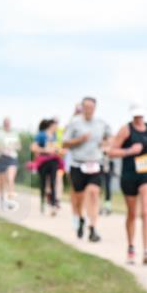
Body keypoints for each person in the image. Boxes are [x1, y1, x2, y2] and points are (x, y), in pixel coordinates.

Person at [107, 104, 147, 265]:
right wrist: (129, 151)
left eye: (141, 115)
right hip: (129, 174)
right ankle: (131, 248)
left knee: (146, 211)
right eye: (136, 116)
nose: (138, 118)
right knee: (132, 213)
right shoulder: (126, 130)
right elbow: (111, 152)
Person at [65, 97, 111, 242]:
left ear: (95, 108)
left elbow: (110, 138)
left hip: (95, 163)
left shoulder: (101, 123)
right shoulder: (74, 123)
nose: (89, 110)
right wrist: (79, 140)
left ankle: (93, 228)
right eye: (86, 107)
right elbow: (64, 143)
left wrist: (106, 143)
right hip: (78, 164)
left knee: (93, 193)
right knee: (79, 198)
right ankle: (80, 219)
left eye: (91, 107)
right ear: (82, 108)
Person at [32, 119, 62, 215]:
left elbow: (55, 147)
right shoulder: (41, 134)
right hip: (43, 161)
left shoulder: (54, 135)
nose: (57, 127)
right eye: (55, 125)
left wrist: (57, 150)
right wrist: (45, 150)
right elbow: (33, 147)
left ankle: (52, 204)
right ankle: (42, 203)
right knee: (43, 183)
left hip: (53, 161)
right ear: (51, 125)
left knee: (53, 182)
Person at [0, 117, 21, 210]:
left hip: (12, 158)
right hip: (1, 158)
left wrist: (12, 147)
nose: (7, 124)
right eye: (5, 123)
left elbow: (19, 146)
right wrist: (3, 148)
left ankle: (10, 200)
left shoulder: (14, 133)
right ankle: (0, 196)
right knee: (2, 180)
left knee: (10, 178)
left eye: (8, 123)